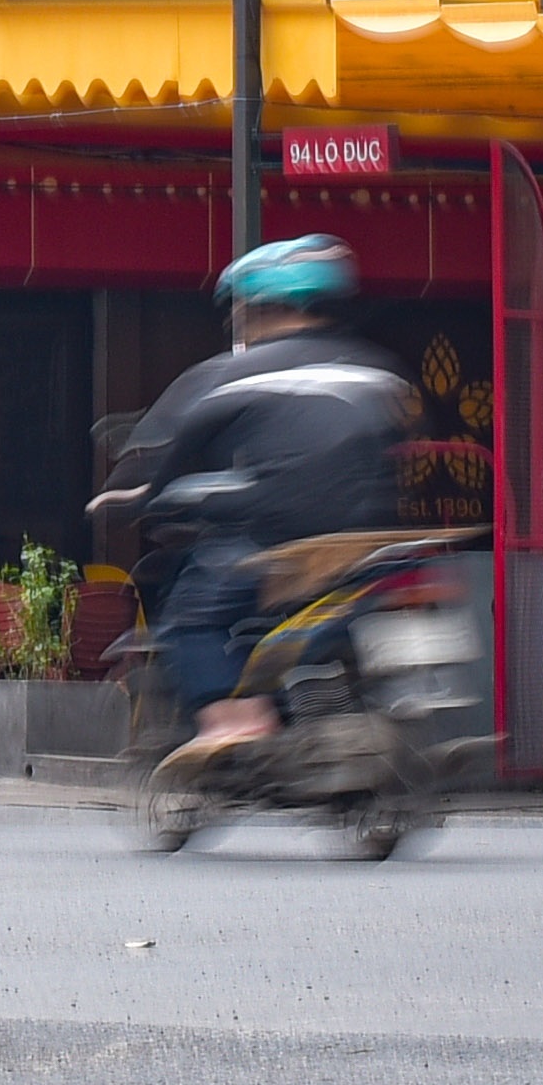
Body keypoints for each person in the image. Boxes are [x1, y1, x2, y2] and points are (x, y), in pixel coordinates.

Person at [111, 236, 414, 755]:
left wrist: (137, 497)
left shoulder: (231, 376)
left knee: (192, 616)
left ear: (260, 308)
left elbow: (170, 453)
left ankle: (235, 723)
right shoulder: (378, 369)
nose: (237, 320)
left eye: (240, 309)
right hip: (370, 551)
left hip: (276, 549)